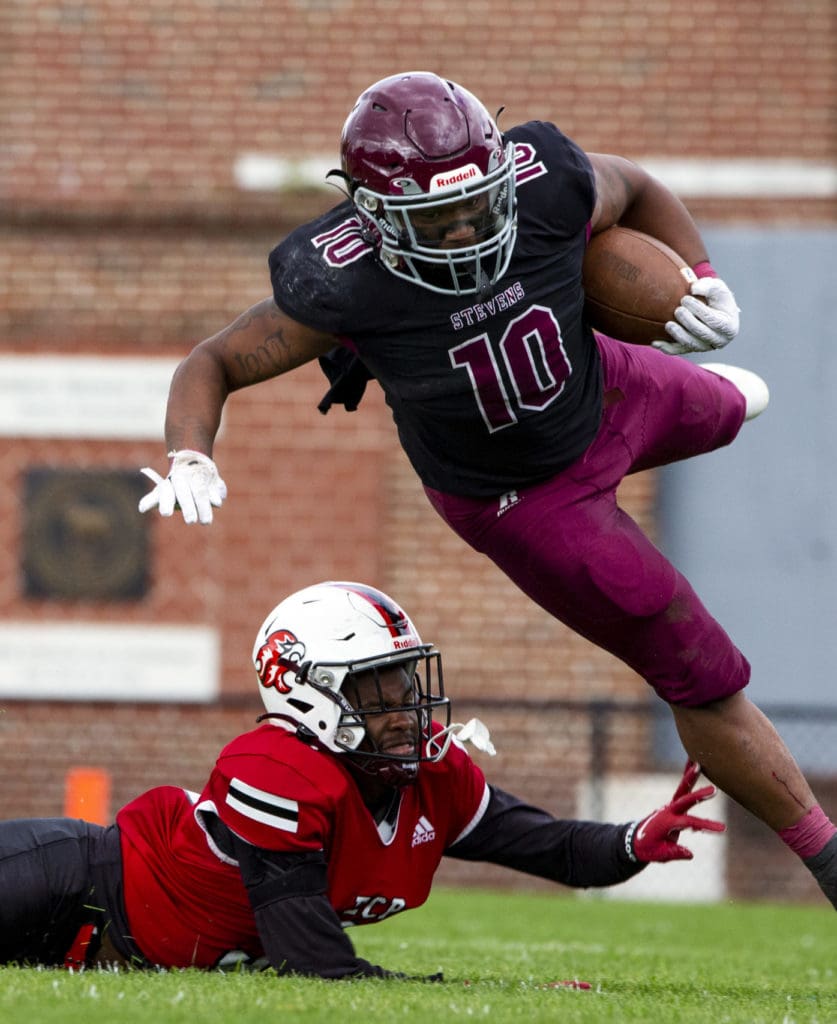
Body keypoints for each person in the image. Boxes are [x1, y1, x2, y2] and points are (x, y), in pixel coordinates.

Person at [137, 72, 837, 909]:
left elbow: (638, 187)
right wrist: (190, 454)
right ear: (369, 212)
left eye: (477, 201)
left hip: (606, 389)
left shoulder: (545, 178)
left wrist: (700, 272)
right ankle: (825, 856)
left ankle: (707, 390)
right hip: (525, 500)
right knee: (695, 666)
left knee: (736, 403)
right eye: (437, 218)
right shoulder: (341, 279)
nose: (467, 227)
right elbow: (210, 359)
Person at [1, 581, 723, 977]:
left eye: (407, 681)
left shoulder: (432, 776)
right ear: (309, 694)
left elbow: (552, 848)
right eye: (379, 687)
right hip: (70, 885)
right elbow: (311, 960)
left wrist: (632, 840)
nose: (407, 705)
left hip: (122, 950)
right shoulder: (276, 769)